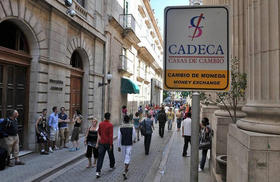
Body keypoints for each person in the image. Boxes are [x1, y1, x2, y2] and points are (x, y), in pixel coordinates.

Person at [96, 112, 115, 178]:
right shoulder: (110, 125)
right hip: (108, 143)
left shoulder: (101, 124)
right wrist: (110, 144)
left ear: (104, 117)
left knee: (100, 158)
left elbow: (99, 132)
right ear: (109, 117)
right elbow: (110, 135)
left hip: (101, 143)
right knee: (111, 155)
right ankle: (112, 166)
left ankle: (98, 171)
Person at [118, 115, 136, 180]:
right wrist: (134, 140)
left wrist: (118, 146)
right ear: (129, 120)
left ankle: (126, 168)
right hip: (129, 144)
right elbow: (134, 135)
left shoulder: (121, 127)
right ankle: (125, 170)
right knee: (128, 157)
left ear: (123, 120)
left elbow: (119, 137)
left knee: (125, 156)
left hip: (123, 144)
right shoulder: (132, 126)